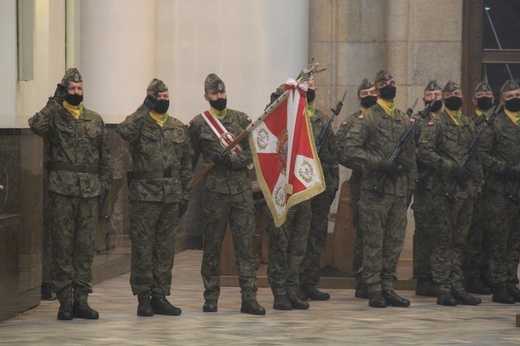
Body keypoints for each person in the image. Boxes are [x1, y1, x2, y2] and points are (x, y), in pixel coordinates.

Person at [28, 68, 112, 320]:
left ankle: (82, 300)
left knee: (85, 248)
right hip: (62, 190)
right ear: (65, 89)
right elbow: (36, 125)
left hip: (89, 191)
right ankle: (64, 301)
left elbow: (105, 157)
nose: (76, 93)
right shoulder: (55, 117)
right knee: (62, 246)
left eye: (79, 89)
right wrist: (54, 101)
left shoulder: (95, 119)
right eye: (71, 89)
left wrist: (104, 186)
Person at [188, 73, 265, 315]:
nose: (219, 97)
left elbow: (252, 154)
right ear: (206, 96)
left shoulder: (242, 120)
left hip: (242, 193)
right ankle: (211, 297)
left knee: (245, 245)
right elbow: (190, 160)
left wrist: (230, 161)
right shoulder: (199, 124)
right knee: (212, 246)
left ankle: (249, 298)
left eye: (222, 93)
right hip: (214, 195)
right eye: (214, 94)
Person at [117, 79, 193, 316]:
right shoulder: (139, 124)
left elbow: (187, 163)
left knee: (165, 248)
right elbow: (123, 131)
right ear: (150, 98)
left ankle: (160, 296)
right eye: (158, 97)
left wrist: (185, 193)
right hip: (145, 196)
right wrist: (143, 107)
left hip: (171, 195)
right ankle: (143, 298)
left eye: (166, 96)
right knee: (143, 248)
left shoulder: (178, 127)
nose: (163, 100)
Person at [345, 70, 416, 308]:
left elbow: (411, 155)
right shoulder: (369, 118)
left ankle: (388, 286)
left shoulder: (403, 119)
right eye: (385, 84)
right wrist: (379, 163)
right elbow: (351, 149)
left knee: (394, 242)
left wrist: (408, 176)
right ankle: (373, 288)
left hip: (398, 191)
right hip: (375, 191)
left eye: (392, 83)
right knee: (374, 242)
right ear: (376, 90)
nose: (390, 86)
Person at [417, 80, 483, 306]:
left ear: (463, 97)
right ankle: (443, 287)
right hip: (444, 191)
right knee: (443, 241)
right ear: (443, 99)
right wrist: (449, 166)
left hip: (465, 192)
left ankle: (457, 285)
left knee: (459, 241)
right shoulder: (436, 124)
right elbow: (424, 152)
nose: (454, 96)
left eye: (457, 93)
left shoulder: (468, 124)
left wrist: (474, 178)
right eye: (450, 94)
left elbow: (475, 156)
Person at [336, 78, 377, 299]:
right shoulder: (351, 122)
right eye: (365, 92)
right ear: (358, 97)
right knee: (363, 232)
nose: (369, 95)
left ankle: (380, 281)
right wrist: (362, 164)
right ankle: (362, 281)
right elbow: (341, 152)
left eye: (373, 91)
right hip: (362, 183)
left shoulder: (385, 120)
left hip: (383, 184)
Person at [480, 80, 520, 304]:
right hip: (500, 191)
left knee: (515, 240)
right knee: (499, 240)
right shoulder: (494, 124)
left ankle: (510, 280)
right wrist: (505, 169)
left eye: (518, 95)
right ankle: (498, 285)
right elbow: (483, 156)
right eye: (510, 96)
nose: (515, 99)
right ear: (502, 100)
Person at [299, 79, 339, 301]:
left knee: (316, 236)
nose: (311, 89)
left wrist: (332, 185)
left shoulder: (323, 119)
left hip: (321, 186)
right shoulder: (294, 116)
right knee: (299, 236)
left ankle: (309, 282)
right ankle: (293, 281)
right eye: (307, 85)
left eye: (314, 85)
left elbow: (332, 158)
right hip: (301, 186)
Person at [461, 82, 495, 295]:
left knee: (494, 235)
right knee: (475, 234)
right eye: (480, 94)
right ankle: (472, 277)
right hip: (475, 186)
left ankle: (490, 275)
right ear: (473, 100)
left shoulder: (498, 123)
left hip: (498, 187)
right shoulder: (468, 124)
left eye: (487, 94)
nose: (484, 97)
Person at [412, 80, 443, 297]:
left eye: (437, 95)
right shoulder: (416, 121)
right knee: (424, 233)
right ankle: (423, 278)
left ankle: (441, 277)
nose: (433, 99)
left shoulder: (448, 120)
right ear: (424, 98)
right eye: (429, 95)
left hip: (444, 185)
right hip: (424, 184)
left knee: (443, 233)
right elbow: (408, 149)